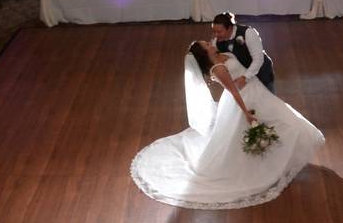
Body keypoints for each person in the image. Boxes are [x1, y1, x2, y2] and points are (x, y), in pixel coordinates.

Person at [130, 41, 324, 209]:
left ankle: (281, 159)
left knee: (286, 121)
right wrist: (246, 112)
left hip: (258, 93)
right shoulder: (218, 69)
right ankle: (270, 164)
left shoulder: (223, 53)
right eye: (206, 45)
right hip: (245, 102)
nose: (210, 43)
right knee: (282, 124)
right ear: (204, 54)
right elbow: (233, 91)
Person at [211, 11, 274, 93]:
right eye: (214, 31)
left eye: (219, 32)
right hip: (241, 79)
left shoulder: (248, 33)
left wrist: (245, 78)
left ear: (230, 28)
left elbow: (258, 59)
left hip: (261, 73)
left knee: (266, 99)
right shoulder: (217, 42)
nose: (216, 35)